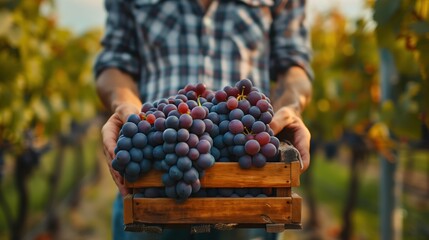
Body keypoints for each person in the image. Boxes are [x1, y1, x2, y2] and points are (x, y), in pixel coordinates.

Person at [94, 0, 313, 239]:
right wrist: (123, 103)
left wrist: (292, 107)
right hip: (155, 167)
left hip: (248, 187)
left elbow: (294, 63)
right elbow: (114, 63)